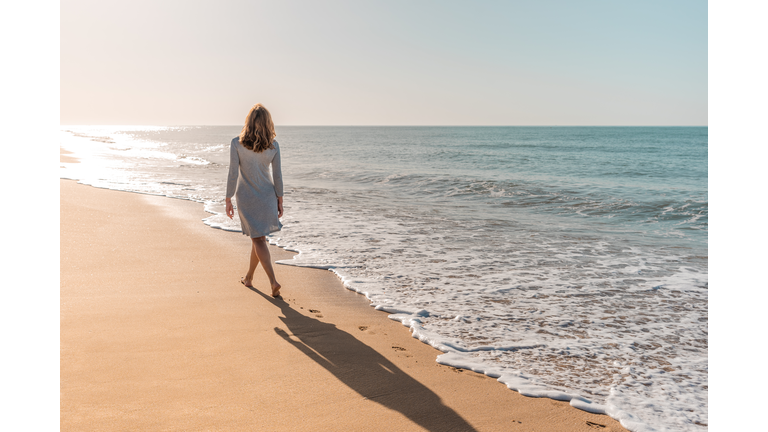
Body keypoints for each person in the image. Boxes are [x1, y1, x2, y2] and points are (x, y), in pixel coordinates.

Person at [225, 104, 284, 297]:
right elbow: (278, 177)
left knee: (257, 239)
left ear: (248, 122)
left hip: (246, 197)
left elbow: (233, 174)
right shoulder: (273, 146)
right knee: (258, 238)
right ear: (268, 123)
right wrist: (279, 200)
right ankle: (249, 277)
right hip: (267, 197)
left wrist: (228, 198)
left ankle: (273, 282)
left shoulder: (236, 143)